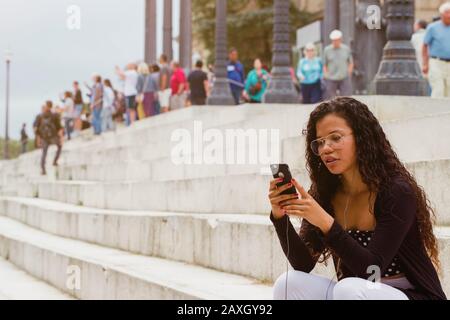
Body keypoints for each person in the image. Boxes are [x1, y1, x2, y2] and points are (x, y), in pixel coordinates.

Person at [269, 97, 446, 300]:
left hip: (407, 294)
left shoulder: (396, 192)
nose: (326, 148)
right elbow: (303, 264)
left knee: (349, 289)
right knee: (288, 284)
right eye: (320, 142)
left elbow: (371, 270)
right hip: (356, 292)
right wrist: (280, 217)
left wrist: (326, 222)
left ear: (362, 137)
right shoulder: (326, 193)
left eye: (336, 138)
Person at [423, 2, 450, 98]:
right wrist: (425, 64)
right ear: (442, 14)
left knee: (449, 92)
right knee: (438, 89)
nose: (449, 15)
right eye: (447, 12)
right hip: (436, 62)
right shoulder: (432, 27)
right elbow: (425, 45)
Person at [323, 30, 354, 99]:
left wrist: (349, 73)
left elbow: (351, 62)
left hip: (344, 77)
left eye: (336, 40)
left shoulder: (346, 49)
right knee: (331, 99)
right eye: (333, 40)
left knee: (346, 99)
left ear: (340, 39)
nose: (335, 42)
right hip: (331, 78)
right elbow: (325, 64)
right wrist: (326, 74)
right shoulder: (327, 50)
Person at [35, 101, 64, 175]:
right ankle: (55, 161)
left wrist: (38, 140)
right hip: (53, 136)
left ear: (46, 106)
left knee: (44, 153)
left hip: (44, 138)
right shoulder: (54, 115)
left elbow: (37, 130)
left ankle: (43, 169)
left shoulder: (40, 116)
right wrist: (61, 138)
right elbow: (59, 128)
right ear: (51, 106)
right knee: (59, 147)